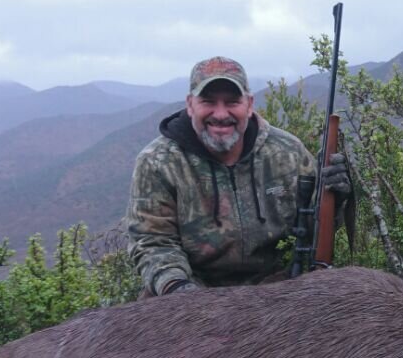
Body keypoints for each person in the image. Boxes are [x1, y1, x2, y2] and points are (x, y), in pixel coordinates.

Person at [126, 56, 350, 295]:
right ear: (190, 104)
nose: (221, 114)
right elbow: (152, 242)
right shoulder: (158, 162)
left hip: (277, 291)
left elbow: (309, 230)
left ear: (249, 104)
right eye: (208, 101)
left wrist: (334, 200)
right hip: (192, 292)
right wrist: (179, 290)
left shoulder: (288, 152)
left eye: (232, 102)